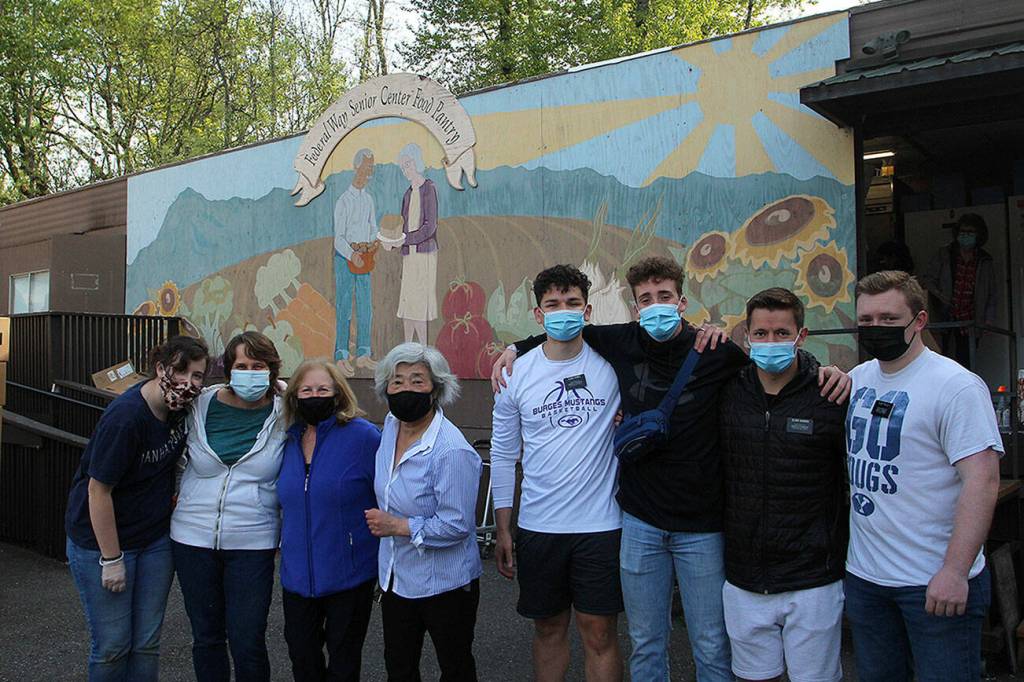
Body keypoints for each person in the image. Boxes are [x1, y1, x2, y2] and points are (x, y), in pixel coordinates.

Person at [492, 255, 849, 681]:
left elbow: (771, 366)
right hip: (639, 521)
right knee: (646, 642)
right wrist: (514, 348)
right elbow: (563, 333)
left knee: (711, 644)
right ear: (635, 306)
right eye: (646, 299)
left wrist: (821, 369)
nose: (655, 305)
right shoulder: (620, 343)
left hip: (701, 526)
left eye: (664, 296)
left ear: (682, 302)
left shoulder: (714, 350)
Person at [845, 270, 1002, 682]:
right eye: (866, 320)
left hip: (933, 583)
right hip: (867, 581)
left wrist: (955, 571)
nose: (876, 328)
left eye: (889, 319)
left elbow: (982, 481)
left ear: (919, 321)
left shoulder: (955, 386)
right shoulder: (857, 380)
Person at [491, 265, 624, 682]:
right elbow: (503, 454)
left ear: (587, 311)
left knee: (599, 633)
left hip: (601, 525)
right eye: (553, 304)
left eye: (572, 303)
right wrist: (503, 527)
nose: (563, 311)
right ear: (538, 314)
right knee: (548, 629)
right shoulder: (515, 373)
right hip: (539, 526)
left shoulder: (613, 366)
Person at [718, 288, 848, 682]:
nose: (770, 342)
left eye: (781, 333)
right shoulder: (727, 391)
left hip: (813, 578)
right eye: (761, 333)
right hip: (744, 577)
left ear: (801, 336)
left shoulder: (831, 394)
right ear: (747, 336)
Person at [64, 335, 209, 682]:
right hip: (103, 543)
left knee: (146, 643)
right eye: (180, 371)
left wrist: (279, 387)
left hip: (154, 539)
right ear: (160, 369)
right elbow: (98, 491)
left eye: (197, 375)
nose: (188, 382)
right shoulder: (126, 418)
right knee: (113, 645)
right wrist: (111, 559)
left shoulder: (181, 409)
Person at [170, 331, 288, 682]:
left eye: (258, 366)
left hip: (253, 543)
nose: (250, 373)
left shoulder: (286, 411)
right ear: (228, 368)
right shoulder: (200, 403)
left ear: (271, 370)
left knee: (247, 639)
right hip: (192, 540)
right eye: (242, 365)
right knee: (207, 637)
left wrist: (286, 390)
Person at [366, 342, 482, 681]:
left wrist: (397, 526)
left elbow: (457, 525)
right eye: (397, 381)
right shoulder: (391, 426)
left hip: (446, 584)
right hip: (397, 578)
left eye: (417, 380)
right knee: (399, 667)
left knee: (455, 668)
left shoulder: (451, 450)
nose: (405, 389)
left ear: (436, 389)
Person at [277, 359, 381, 682]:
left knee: (343, 665)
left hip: (349, 575)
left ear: (338, 394)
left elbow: (389, 494)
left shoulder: (364, 437)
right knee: (302, 659)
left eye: (323, 389)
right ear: (294, 396)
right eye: (306, 390)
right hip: (297, 576)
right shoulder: (286, 439)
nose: (314, 396)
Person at [922, 213, 997, 367]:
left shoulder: (984, 260)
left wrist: (988, 319)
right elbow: (928, 280)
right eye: (963, 231)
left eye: (970, 232)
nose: (965, 235)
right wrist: (940, 296)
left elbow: (991, 292)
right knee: (938, 355)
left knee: (966, 360)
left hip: (970, 316)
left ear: (979, 235)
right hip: (944, 313)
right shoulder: (945, 254)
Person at [334, 147, 379, 377]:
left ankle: (363, 353)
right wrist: (352, 254)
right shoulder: (344, 201)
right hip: (346, 258)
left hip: (365, 258)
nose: (369, 170)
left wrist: (372, 244)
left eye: (371, 166)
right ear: (356, 166)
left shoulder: (368, 200)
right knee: (344, 307)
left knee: (365, 306)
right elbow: (338, 238)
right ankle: (341, 355)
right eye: (366, 165)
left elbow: (373, 227)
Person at [395, 143, 439, 344]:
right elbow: (402, 225)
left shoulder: (428, 188)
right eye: (403, 166)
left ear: (417, 162)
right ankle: (407, 346)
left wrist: (407, 239)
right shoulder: (407, 194)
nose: (406, 170)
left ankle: (423, 348)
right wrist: (394, 241)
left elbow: (430, 226)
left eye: (408, 164)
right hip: (409, 254)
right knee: (407, 302)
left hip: (425, 254)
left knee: (420, 304)